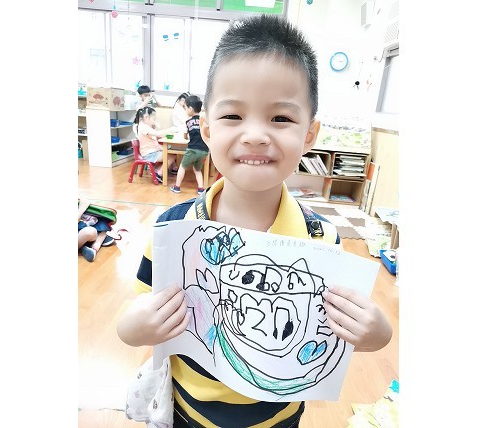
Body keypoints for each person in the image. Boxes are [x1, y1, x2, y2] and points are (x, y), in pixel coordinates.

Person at [117, 15, 392, 427]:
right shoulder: (173, 230)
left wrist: (377, 332)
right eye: (233, 116)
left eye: (281, 119)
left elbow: (337, 331)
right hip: (188, 412)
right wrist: (137, 327)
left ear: (309, 134)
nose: (256, 135)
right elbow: (131, 319)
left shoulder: (322, 240)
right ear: (206, 129)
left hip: (280, 418)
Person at [169, 95, 209, 195]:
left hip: (192, 149)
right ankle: (201, 189)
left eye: (185, 108)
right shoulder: (204, 121)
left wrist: (188, 136)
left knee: (182, 167)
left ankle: (177, 187)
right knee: (197, 170)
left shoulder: (187, 122)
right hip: (204, 151)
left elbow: (185, 136)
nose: (185, 110)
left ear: (190, 109)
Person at [133, 106, 177, 183]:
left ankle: (161, 170)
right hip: (149, 154)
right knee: (171, 157)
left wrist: (155, 125)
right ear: (146, 117)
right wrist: (170, 130)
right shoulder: (143, 127)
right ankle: (159, 174)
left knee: (170, 152)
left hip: (153, 151)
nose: (154, 121)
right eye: (154, 119)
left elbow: (157, 135)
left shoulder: (146, 126)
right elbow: (157, 134)